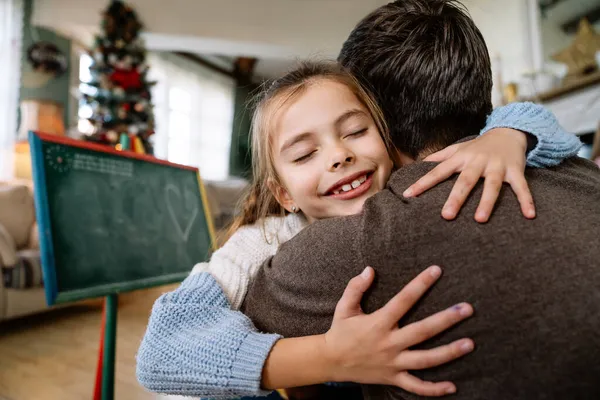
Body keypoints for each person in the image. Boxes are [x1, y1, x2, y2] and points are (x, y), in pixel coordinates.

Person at [136, 10, 582, 400]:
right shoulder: (262, 243)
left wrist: (506, 136)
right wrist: (327, 357)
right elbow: (161, 351)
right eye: (305, 154)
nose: (338, 155)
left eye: (354, 131)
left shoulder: (405, 198)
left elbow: (538, 118)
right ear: (284, 193)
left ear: (390, 137)